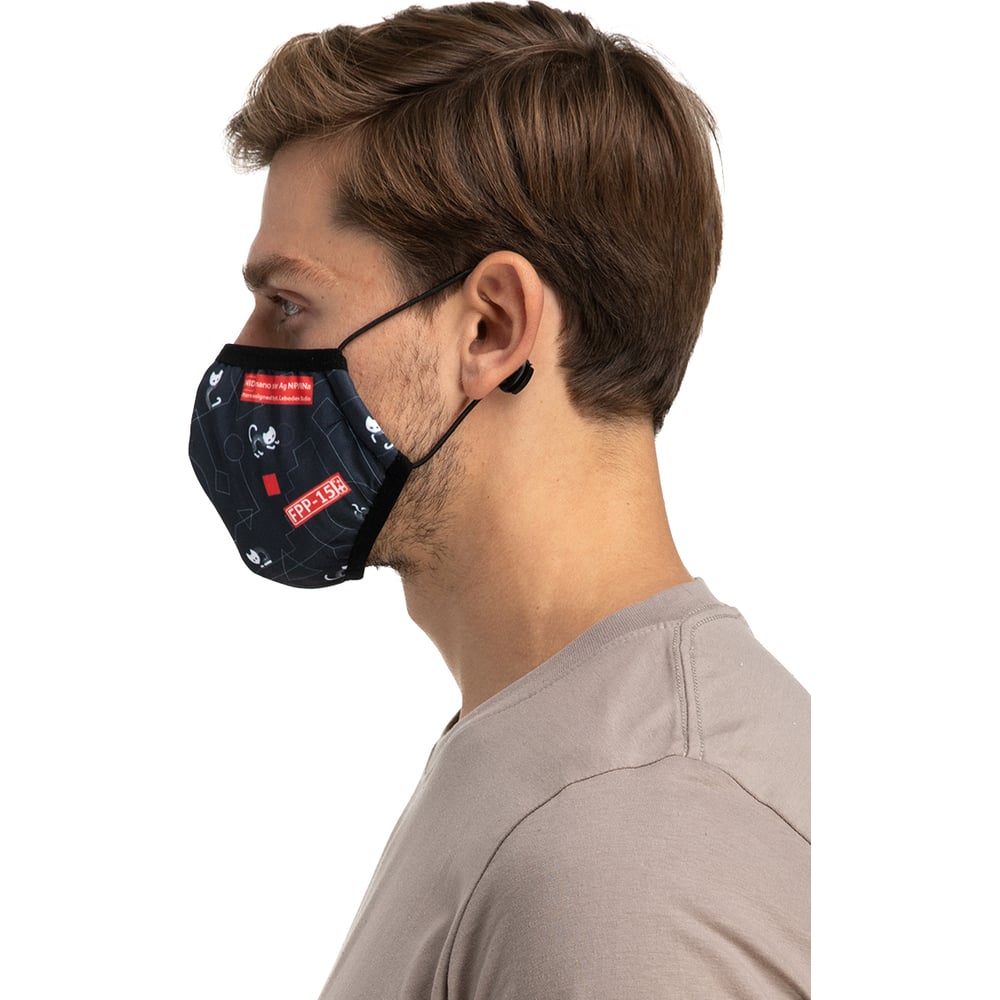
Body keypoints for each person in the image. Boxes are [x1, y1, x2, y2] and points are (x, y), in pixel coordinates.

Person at [188, 2, 810, 996]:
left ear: (491, 327)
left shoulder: (627, 847)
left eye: (288, 304)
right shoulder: (559, 754)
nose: (243, 356)